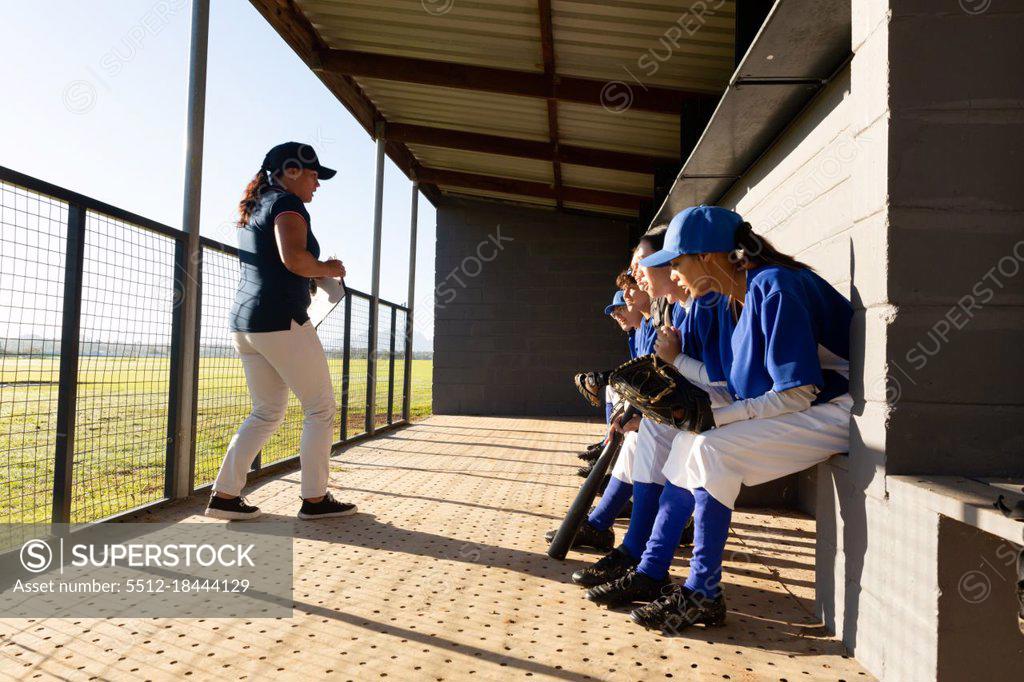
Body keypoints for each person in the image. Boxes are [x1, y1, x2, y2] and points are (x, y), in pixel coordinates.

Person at [586, 206, 854, 632]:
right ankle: (663, 572)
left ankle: (702, 591)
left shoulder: (774, 284)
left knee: (710, 445)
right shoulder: (744, 295)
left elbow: (798, 391)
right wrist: (710, 415)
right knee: (692, 441)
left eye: (677, 262)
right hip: (814, 406)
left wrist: (719, 415)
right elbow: (754, 390)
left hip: (848, 411)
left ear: (708, 258)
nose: (673, 274)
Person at [205, 142, 357, 521]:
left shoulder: (257, 206)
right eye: (313, 175)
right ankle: (315, 500)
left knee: (267, 411)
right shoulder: (287, 205)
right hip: (281, 320)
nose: (317, 184)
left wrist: (315, 269)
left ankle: (224, 497)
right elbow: (294, 260)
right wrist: (329, 266)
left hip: (246, 323)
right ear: (291, 171)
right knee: (320, 409)